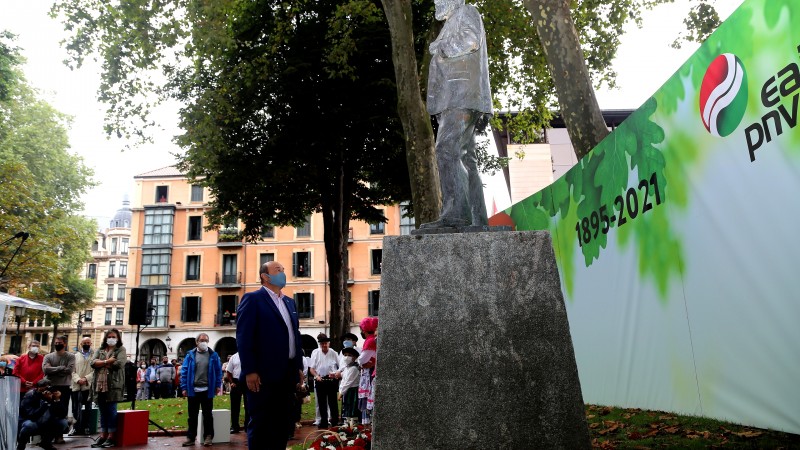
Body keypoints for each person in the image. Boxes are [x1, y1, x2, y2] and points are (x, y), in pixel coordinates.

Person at [421, 0, 492, 229]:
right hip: (457, 98)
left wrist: (439, 47)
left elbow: (470, 40)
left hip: (460, 96)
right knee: (466, 158)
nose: (436, 3)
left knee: (447, 149)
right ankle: (477, 218)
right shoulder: (453, 19)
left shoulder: (466, 12)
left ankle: (456, 215)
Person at [236, 260, 304, 450]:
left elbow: (295, 336)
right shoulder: (253, 299)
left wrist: (298, 367)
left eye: (283, 270)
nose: (283, 273)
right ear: (265, 276)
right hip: (262, 375)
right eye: (277, 270)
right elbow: (244, 337)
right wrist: (250, 370)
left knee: (283, 423)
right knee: (261, 423)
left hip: (287, 374)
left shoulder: (289, 302)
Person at [180, 333, 223, 447]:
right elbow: (184, 371)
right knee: (192, 416)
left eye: (206, 340)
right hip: (193, 390)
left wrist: (218, 385)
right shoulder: (190, 355)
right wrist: (184, 387)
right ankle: (190, 438)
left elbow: (218, 372)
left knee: (208, 415)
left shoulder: (213, 355)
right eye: (202, 340)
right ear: (197, 342)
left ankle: (208, 436)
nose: (204, 342)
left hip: (207, 390)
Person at [89, 329, 128, 448]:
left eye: (113, 336)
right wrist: (107, 361)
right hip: (99, 385)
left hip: (113, 385)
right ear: (105, 338)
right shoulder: (100, 350)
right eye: (109, 336)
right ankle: (103, 435)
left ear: (118, 338)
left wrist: (100, 363)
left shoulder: (121, 349)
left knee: (111, 412)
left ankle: (111, 437)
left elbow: (119, 364)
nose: (111, 338)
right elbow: (92, 363)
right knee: (103, 412)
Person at [17, 379, 68, 450]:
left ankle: (45, 443)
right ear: (37, 389)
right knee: (30, 425)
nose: (44, 392)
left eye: (46, 389)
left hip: (46, 423)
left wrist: (57, 400)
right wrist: (46, 403)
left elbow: (62, 414)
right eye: (42, 390)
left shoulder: (52, 395)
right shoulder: (30, 395)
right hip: (31, 421)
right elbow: (32, 416)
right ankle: (21, 445)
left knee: (63, 423)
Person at [309, 333, 340, 429]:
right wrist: (316, 376)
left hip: (331, 380)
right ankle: (323, 422)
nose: (324, 345)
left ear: (329, 343)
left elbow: (340, 367)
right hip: (320, 380)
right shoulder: (316, 353)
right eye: (322, 344)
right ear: (320, 344)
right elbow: (311, 368)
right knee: (321, 403)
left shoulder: (334, 353)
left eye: (326, 343)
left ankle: (335, 421)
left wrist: (335, 373)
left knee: (333, 402)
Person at [70, 336, 95, 436]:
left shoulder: (94, 356)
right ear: (81, 344)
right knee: (75, 408)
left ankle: (86, 427)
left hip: (87, 386)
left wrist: (85, 379)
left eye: (88, 343)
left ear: (91, 344)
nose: (87, 344)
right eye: (85, 342)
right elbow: (72, 370)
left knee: (87, 408)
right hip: (76, 386)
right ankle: (76, 428)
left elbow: (95, 371)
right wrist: (78, 379)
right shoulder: (75, 356)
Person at [357, 317, 378, 425]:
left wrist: (362, 363)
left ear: (364, 330)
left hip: (370, 373)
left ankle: (368, 425)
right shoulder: (371, 339)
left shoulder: (370, 341)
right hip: (368, 371)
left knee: (369, 401)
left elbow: (362, 359)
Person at [224, 352, 248, 434]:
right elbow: (228, 371)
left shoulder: (251, 355)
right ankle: (234, 426)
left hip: (248, 381)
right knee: (234, 406)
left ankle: (247, 426)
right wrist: (231, 382)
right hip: (236, 382)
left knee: (248, 406)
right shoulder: (234, 357)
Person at [338, 347, 361, 428]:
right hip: (347, 391)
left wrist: (341, 392)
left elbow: (348, 382)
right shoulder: (347, 368)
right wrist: (341, 390)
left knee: (352, 408)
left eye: (349, 355)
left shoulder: (354, 368)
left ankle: (353, 426)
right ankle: (347, 424)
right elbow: (343, 380)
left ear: (354, 357)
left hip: (352, 391)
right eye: (345, 355)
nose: (346, 357)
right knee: (347, 407)